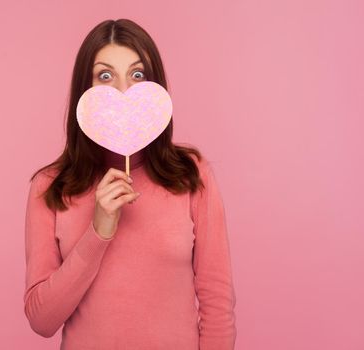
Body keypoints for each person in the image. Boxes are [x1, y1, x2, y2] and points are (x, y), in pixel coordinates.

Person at [23, 18, 237, 350]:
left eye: (137, 75)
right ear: (86, 89)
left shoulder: (192, 175)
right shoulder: (49, 187)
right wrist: (98, 232)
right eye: (105, 76)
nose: (124, 92)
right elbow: (41, 320)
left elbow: (217, 301)